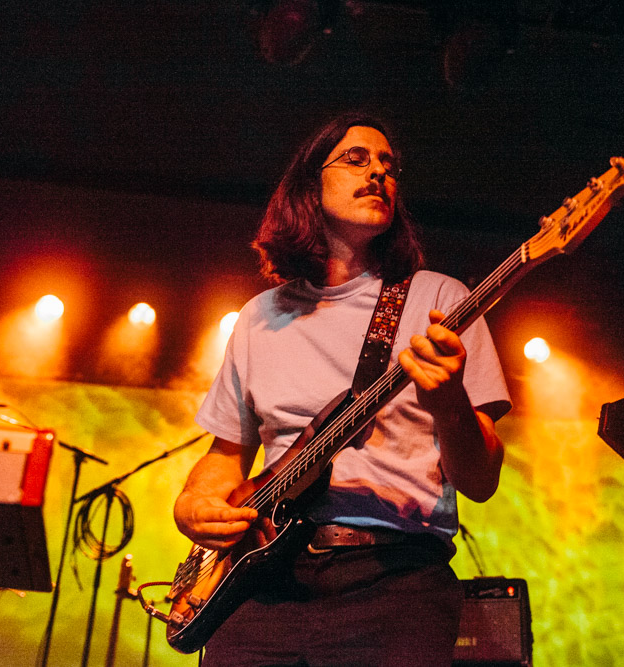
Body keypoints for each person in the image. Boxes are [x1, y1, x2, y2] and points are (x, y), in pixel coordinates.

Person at [173, 112, 511, 666]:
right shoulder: (260, 317)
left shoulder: (441, 300)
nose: (378, 171)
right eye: (356, 158)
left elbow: (479, 481)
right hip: (263, 588)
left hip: (395, 585)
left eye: (388, 165)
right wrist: (195, 504)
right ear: (310, 184)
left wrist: (448, 398)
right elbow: (226, 454)